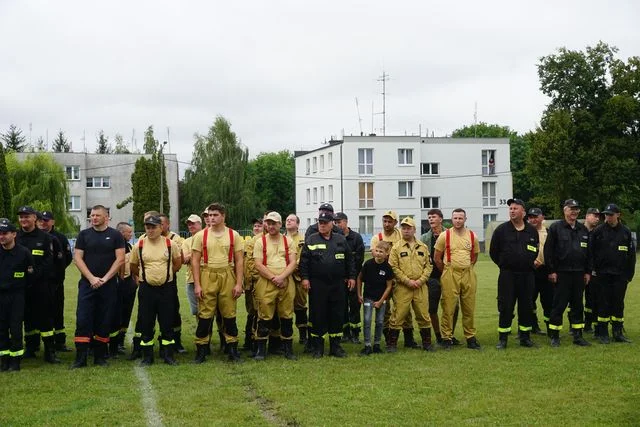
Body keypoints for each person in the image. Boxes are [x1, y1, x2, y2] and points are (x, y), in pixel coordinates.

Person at [71, 205, 125, 368]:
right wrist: (92, 278)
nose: (93, 218)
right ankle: (80, 358)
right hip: (88, 285)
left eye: (97, 215)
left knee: (104, 319)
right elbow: (78, 259)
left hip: (107, 286)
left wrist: (105, 278)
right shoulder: (84, 235)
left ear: (106, 216)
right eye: (92, 215)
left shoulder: (115, 236)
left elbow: (120, 259)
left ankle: (100, 357)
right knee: (83, 319)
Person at [191, 203, 245, 363]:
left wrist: (238, 283)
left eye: (215, 215)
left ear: (223, 216)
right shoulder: (201, 235)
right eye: (209, 215)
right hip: (207, 274)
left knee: (229, 314)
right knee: (205, 315)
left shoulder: (233, 235)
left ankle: (232, 350)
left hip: (227, 274)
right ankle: (201, 350)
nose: (211, 218)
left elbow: (239, 260)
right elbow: (194, 261)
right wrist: (197, 284)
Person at [300, 211, 356, 358]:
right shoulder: (311, 239)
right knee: (318, 315)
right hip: (318, 285)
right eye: (320, 223)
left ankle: (335, 347)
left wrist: (351, 276)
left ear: (332, 224)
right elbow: (304, 261)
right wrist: (305, 278)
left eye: (325, 223)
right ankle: (318, 348)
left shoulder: (340, 239)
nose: (322, 225)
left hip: (337, 285)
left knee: (336, 315)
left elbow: (350, 260)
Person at [130, 215, 182, 365]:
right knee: (146, 322)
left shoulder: (170, 244)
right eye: (148, 227)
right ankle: (147, 357)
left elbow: (177, 263)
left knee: (167, 322)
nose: (150, 230)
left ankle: (168, 355)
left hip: (166, 289)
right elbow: (133, 266)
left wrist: (165, 275)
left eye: (153, 227)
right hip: (147, 289)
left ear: (161, 227)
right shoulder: (139, 245)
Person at [490, 199, 540, 349]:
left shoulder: (531, 231)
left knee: (526, 306)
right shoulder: (501, 230)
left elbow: (534, 250)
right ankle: (503, 338)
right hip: (508, 275)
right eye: (510, 208)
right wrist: (504, 264)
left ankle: (525, 337)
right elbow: (494, 252)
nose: (512, 211)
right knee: (506, 306)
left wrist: (527, 262)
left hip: (527, 275)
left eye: (515, 208)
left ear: (523, 212)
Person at [544, 199, 591, 347]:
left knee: (578, 305)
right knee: (559, 305)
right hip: (562, 273)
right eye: (571, 209)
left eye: (576, 209)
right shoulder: (556, 228)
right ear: (565, 210)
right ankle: (555, 336)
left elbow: (588, 253)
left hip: (578, 273)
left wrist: (588, 272)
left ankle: (578, 335)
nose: (574, 212)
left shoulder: (583, 229)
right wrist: (551, 270)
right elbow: (548, 250)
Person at [252, 212, 297, 360]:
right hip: (266, 282)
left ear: (280, 224)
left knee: (286, 316)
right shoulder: (260, 242)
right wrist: (273, 278)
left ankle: (288, 350)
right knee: (264, 316)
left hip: (286, 282)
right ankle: (260, 350)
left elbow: (293, 262)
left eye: (274, 223)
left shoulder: (288, 241)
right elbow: (258, 264)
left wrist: (282, 277)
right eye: (268, 223)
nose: (271, 226)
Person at [434, 208, 481, 350]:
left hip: (468, 273)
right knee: (448, 307)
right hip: (450, 273)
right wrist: (446, 272)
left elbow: (474, 257)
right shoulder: (444, 235)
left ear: (465, 219)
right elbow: (437, 258)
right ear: (451, 219)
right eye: (455, 218)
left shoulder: (473, 236)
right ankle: (447, 338)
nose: (458, 221)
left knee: (469, 307)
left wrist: (466, 267)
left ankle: (470, 337)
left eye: (461, 218)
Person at [370, 211, 417, 349]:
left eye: (390, 221)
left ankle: (409, 338)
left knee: (405, 309)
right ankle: (388, 338)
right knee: (385, 309)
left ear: (395, 223)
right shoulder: (376, 238)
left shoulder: (401, 235)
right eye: (385, 221)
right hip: (382, 279)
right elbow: (377, 256)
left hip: (399, 278)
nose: (387, 224)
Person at [387, 217, 435, 352]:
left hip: (420, 286)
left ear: (414, 230)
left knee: (423, 315)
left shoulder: (423, 247)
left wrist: (420, 280)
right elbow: (393, 267)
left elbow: (429, 266)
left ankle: (427, 343)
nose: (406, 231)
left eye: (409, 228)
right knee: (398, 315)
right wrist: (407, 281)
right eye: (403, 228)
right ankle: (391, 345)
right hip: (403, 287)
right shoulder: (396, 247)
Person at [16, 206, 57, 363]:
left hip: (41, 285)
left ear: (35, 218)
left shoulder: (45, 238)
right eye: (21, 217)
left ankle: (50, 351)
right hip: (21, 286)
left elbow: (49, 261)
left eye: (27, 217)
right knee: (28, 319)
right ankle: (31, 348)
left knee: (45, 318)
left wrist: (34, 275)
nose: (23, 220)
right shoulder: (16, 237)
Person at [590, 203, 636, 344]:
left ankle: (617, 331)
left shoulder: (625, 232)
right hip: (603, 274)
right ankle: (602, 332)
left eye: (610, 214)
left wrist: (629, 274)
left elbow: (631, 255)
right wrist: (593, 271)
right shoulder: (598, 231)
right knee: (603, 303)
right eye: (606, 215)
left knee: (618, 303)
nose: (608, 217)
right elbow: (590, 253)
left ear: (618, 215)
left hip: (620, 275)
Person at [420, 208, 460, 345]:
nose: (431, 219)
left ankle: (449, 335)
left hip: (449, 276)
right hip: (432, 278)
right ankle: (438, 336)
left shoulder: (450, 235)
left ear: (441, 219)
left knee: (453, 307)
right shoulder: (425, 238)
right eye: (429, 217)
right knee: (432, 308)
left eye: (434, 216)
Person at [0, 218, 34, 372]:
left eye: (5, 233)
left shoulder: (23, 253)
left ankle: (15, 360)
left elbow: (31, 275)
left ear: (14, 234)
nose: (2, 236)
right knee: (1, 328)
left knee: (15, 328)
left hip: (17, 295)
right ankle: (4, 360)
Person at [37, 211, 73, 352]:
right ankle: (35, 344)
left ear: (53, 222)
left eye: (46, 220)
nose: (43, 223)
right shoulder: (36, 237)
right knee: (38, 313)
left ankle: (60, 342)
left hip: (56, 282)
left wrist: (57, 271)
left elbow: (67, 257)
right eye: (41, 220)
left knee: (57, 311)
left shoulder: (60, 238)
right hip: (38, 282)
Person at [333, 212, 365, 344]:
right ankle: (345, 333)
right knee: (342, 306)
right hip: (340, 279)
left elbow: (358, 259)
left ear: (346, 222)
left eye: (339, 221)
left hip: (354, 278)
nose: (337, 224)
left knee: (355, 305)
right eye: (335, 222)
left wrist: (351, 276)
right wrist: (343, 276)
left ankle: (355, 333)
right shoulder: (335, 238)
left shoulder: (356, 238)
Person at [356, 241, 393, 355]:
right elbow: (359, 279)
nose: (378, 253)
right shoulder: (368, 264)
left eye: (381, 252)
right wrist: (359, 294)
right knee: (367, 320)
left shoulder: (387, 268)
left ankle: (377, 344)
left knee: (380, 321)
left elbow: (389, 286)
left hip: (381, 299)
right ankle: (367, 345)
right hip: (368, 298)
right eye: (376, 251)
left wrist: (381, 301)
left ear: (387, 254)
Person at [158, 213, 186, 354]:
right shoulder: (147, 238)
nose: (160, 226)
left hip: (169, 280)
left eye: (162, 224)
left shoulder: (175, 239)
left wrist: (167, 274)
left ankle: (177, 341)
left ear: (168, 224)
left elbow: (178, 261)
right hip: (151, 282)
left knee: (173, 310)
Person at [526, 208, 552, 335]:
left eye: (535, 216)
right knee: (529, 300)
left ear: (542, 217)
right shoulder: (525, 232)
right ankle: (533, 326)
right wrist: (531, 261)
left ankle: (550, 327)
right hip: (530, 270)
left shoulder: (548, 232)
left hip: (545, 270)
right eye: (530, 217)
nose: (533, 219)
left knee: (548, 301)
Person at [285, 214, 308, 345]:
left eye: (292, 220)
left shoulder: (304, 239)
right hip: (285, 277)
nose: (288, 221)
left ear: (298, 224)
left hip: (298, 277)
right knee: (284, 305)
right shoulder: (280, 238)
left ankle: (303, 335)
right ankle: (284, 336)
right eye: (287, 220)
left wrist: (293, 265)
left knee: (300, 306)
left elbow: (304, 256)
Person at [241, 217, 263, 353]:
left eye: (259, 226)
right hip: (248, 283)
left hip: (259, 282)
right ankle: (248, 341)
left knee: (258, 313)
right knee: (251, 312)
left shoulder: (262, 242)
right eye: (255, 226)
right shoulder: (248, 242)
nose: (257, 228)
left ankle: (256, 342)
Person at [115, 222, 135, 356]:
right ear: (122, 233)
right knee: (118, 312)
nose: (131, 234)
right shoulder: (116, 246)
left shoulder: (129, 246)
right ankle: (114, 341)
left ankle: (120, 340)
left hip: (129, 283)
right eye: (129, 232)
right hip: (118, 283)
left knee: (126, 312)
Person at [582, 207, 600, 333]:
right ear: (587, 216)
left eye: (598, 216)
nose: (597, 218)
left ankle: (588, 324)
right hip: (577, 269)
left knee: (592, 298)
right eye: (595, 215)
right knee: (574, 299)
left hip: (592, 271)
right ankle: (574, 325)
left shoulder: (598, 233)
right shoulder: (577, 230)